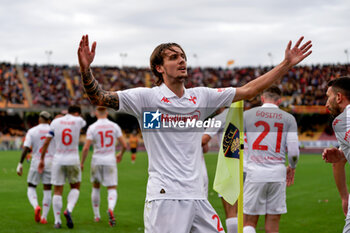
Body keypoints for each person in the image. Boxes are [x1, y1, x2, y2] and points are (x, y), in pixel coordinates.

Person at [78, 34, 311, 233]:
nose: (182, 61)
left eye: (183, 56)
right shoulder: (145, 98)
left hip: (198, 196)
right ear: (159, 68)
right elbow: (99, 96)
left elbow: (250, 90)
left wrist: (286, 64)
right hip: (165, 197)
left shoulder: (201, 97)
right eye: (173, 57)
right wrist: (85, 70)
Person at [242, 86, 300, 233]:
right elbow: (293, 152)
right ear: (279, 101)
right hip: (278, 173)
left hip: (254, 172)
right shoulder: (289, 118)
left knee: (248, 221)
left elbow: (237, 144)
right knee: (273, 225)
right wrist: (291, 168)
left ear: (262, 98)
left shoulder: (247, 115)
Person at [38, 105, 86, 229]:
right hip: (73, 159)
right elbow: (82, 126)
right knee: (75, 187)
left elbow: (46, 142)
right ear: (77, 113)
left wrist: (42, 159)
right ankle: (68, 210)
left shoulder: (55, 122)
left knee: (57, 191)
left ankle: (57, 221)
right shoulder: (78, 120)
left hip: (58, 159)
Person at [80, 106, 127, 226]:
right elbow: (125, 145)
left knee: (96, 187)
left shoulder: (92, 127)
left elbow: (86, 148)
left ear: (96, 113)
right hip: (110, 160)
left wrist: (82, 162)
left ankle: (96, 215)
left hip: (97, 160)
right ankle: (110, 208)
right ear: (106, 113)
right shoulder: (114, 126)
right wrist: (120, 154)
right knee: (112, 188)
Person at [202, 107, 245, 233]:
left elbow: (204, 140)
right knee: (245, 214)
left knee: (231, 211)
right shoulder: (244, 115)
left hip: (231, 165)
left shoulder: (219, 118)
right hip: (249, 165)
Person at [322, 77, 350, 233]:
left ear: (339, 97)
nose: (326, 104)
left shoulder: (342, 120)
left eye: (328, 96)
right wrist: (341, 153)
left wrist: (345, 198)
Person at [16, 111, 54, 224]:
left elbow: (26, 148)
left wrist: (20, 164)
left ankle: (36, 206)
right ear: (49, 120)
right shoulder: (53, 130)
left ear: (39, 120)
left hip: (37, 160)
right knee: (47, 189)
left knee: (31, 186)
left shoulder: (32, 131)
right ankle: (44, 217)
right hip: (50, 161)